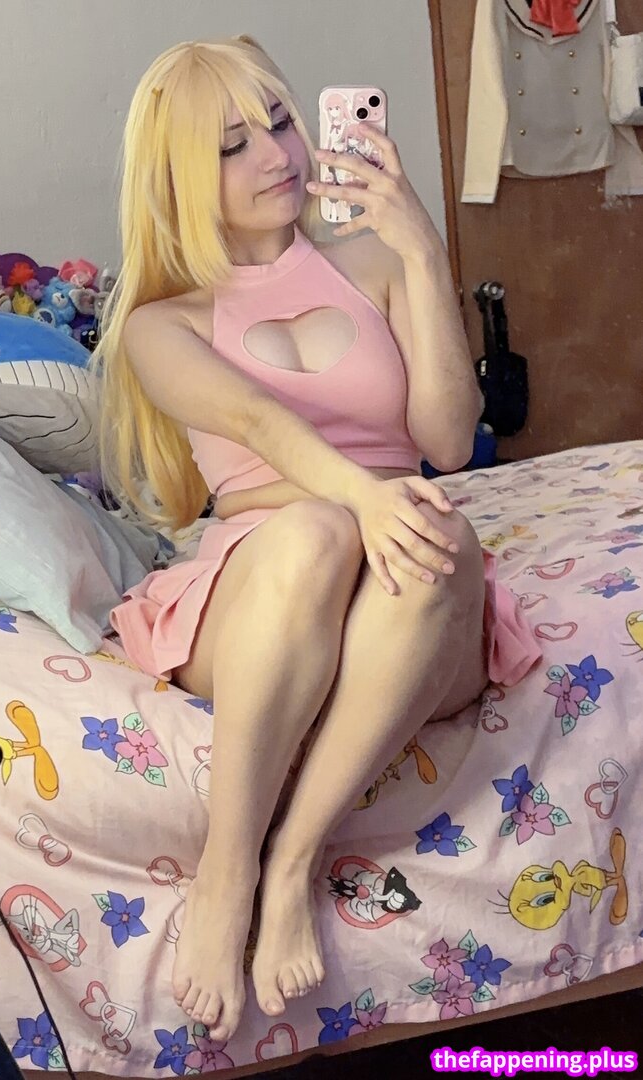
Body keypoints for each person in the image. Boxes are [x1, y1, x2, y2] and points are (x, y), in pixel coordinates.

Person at [94, 34, 542, 1045]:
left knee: (437, 524)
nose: (277, 155)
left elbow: (445, 443)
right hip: (266, 582)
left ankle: (289, 858)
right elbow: (258, 426)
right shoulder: (161, 323)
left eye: (281, 123)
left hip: (400, 588)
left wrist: (421, 251)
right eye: (231, 144)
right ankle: (225, 871)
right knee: (314, 532)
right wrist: (361, 501)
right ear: (178, 175)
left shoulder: (370, 263)